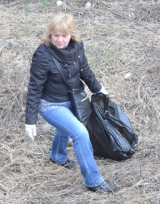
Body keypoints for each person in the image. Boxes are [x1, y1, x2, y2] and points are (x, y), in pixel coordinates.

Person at [25, 13, 116, 194]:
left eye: (64, 35)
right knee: (81, 133)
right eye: (55, 35)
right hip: (51, 104)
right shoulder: (43, 55)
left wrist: (98, 89)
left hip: (73, 99)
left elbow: (85, 70)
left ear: (71, 35)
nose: (59, 40)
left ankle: (57, 156)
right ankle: (94, 181)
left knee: (66, 127)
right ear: (49, 35)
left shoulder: (77, 46)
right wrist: (30, 120)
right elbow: (35, 88)